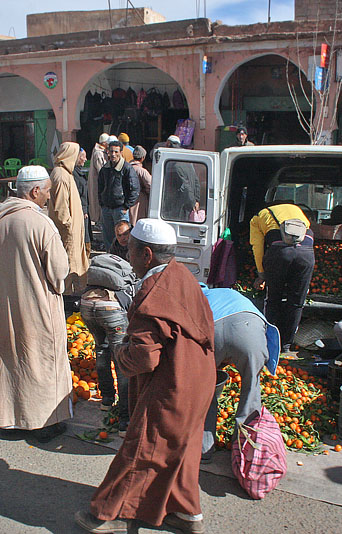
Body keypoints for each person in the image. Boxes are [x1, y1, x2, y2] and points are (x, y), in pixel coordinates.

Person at [76, 218, 215, 534]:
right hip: (201, 378)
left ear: (147, 254)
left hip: (174, 384)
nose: (128, 258)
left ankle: (103, 514)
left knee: (142, 448)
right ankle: (187, 515)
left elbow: (144, 357)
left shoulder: (152, 294)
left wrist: (119, 352)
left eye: (132, 251)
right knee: (183, 448)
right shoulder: (182, 275)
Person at [0, 165, 72, 443]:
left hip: (1, 305)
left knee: (10, 360)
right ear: (34, 192)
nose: (48, 196)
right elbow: (59, 274)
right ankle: (43, 423)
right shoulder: (41, 224)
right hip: (36, 307)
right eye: (46, 191)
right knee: (39, 363)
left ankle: (9, 419)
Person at [199, 284, 280, 463]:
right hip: (249, 329)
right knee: (251, 390)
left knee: (205, 390)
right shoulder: (229, 294)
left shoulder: (196, 298)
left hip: (214, 330)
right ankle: (245, 452)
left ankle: (204, 449)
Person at [79, 253, 137, 434]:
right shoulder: (129, 277)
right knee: (122, 362)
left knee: (101, 350)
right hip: (110, 308)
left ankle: (106, 400)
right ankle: (125, 421)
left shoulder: (100, 271)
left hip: (86, 305)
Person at [249, 203, 314, 352]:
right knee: (297, 302)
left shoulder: (259, 217)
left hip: (280, 253)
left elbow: (256, 246)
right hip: (307, 254)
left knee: (273, 299)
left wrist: (261, 275)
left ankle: (269, 343)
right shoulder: (297, 211)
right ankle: (286, 345)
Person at [49, 142, 89, 295]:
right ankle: (66, 299)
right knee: (69, 267)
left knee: (76, 264)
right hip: (68, 233)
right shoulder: (60, 175)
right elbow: (61, 209)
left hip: (73, 232)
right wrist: (70, 227)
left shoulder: (66, 173)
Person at [98, 140, 140, 249]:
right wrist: (102, 203)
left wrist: (126, 206)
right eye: (111, 151)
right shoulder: (105, 169)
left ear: (121, 152)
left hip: (120, 209)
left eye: (116, 152)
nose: (113, 154)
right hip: (107, 208)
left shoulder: (127, 168)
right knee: (108, 237)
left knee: (123, 238)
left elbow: (135, 189)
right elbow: (100, 187)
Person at [162, 135, 201, 222]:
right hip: (188, 202)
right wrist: (197, 200)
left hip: (180, 206)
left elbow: (185, 186)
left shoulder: (175, 164)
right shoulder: (186, 160)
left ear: (168, 144)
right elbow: (196, 181)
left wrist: (193, 202)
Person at [88, 133, 109, 230]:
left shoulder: (100, 152)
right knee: (97, 204)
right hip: (98, 183)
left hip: (99, 183)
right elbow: (101, 169)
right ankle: (98, 222)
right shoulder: (98, 153)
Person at [73, 148, 92, 254]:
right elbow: (79, 195)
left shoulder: (78, 172)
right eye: (82, 156)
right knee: (84, 236)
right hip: (80, 211)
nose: (85, 159)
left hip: (84, 210)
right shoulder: (73, 174)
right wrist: (84, 210)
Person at [129, 145, 151, 225]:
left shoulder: (126, 168)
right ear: (143, 158)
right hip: (139, 201)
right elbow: (151, 186)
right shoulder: (142, 171)